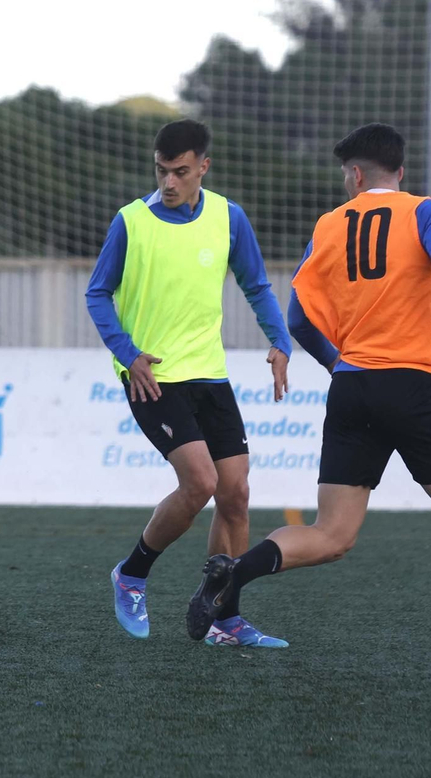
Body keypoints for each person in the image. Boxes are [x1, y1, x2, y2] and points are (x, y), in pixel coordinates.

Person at [187, 122, 431, 690]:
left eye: (346, 174)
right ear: (400, 172)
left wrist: (336, 363)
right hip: (411, 387)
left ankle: (234, 571)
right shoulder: (427, 212)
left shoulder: (328, 224)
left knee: (331, 533)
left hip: (351, 388)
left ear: (356, 173)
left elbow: (296, 318)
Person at [86, 119, 292, 647]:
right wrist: (128, 354)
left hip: (209, 373)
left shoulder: (229, 217)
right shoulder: (131, 221)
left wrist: (279, 341)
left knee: (237, 494)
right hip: (151, 376)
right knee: (200, 482)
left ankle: (226, 619)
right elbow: (97, 294)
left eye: (180, 171)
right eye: (161, 170)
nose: (169, 181)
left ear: (204, 166)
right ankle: (132, 573)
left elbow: (256, 284)